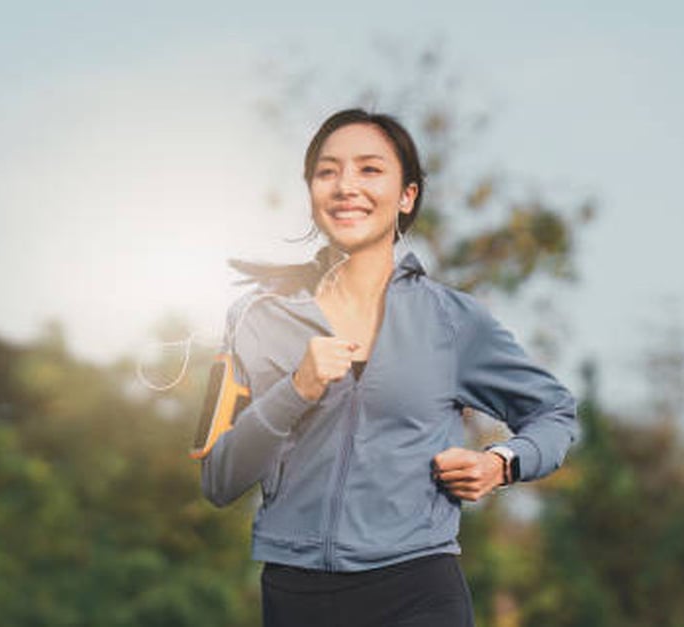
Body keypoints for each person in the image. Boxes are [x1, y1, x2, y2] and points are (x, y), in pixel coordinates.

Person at [201, 108, 579, 627]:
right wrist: (296, 389)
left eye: (370, 170)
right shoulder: (257, 319)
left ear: (407, 196)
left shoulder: (452, 321)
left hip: (416, 586)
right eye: (327, 171)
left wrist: (501, 462)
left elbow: (555, 413)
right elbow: (219, 479)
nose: (345, 186)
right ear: (311, 192)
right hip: (295, 593)